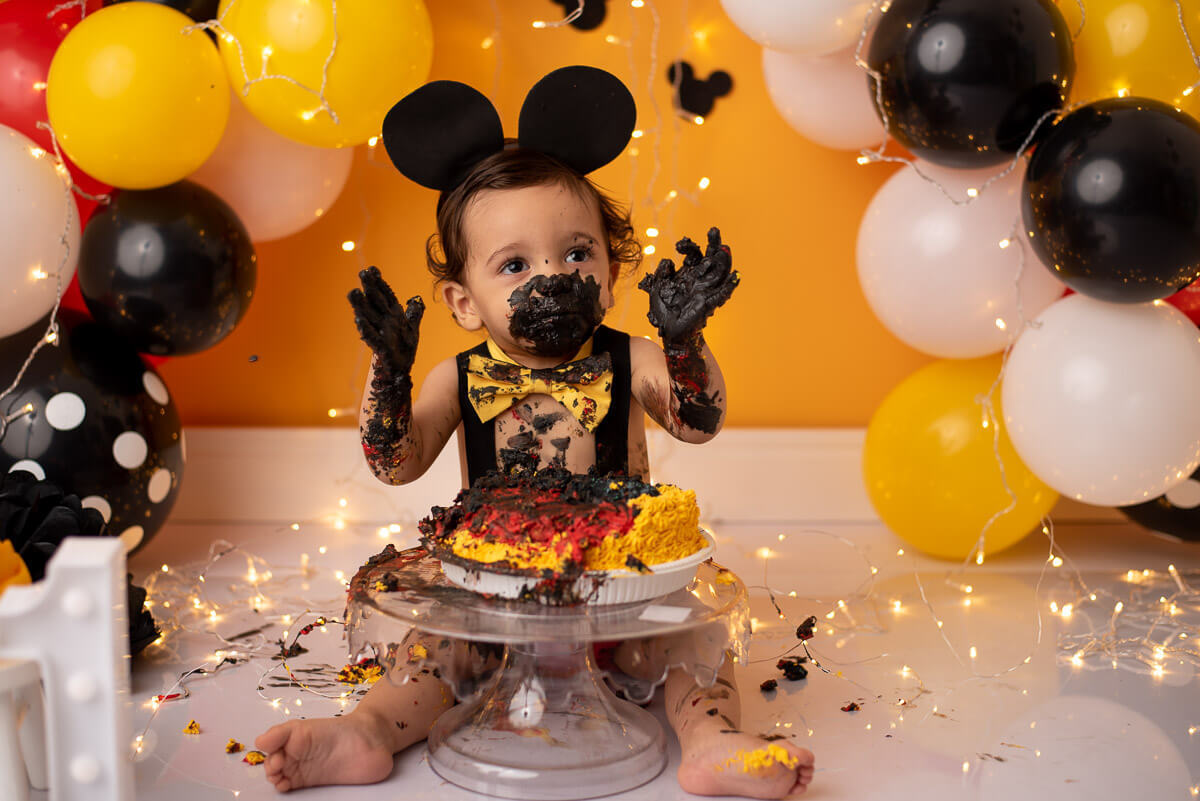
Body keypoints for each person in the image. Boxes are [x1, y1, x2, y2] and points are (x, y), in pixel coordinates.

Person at [255, 66, 814, 798]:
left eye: (577, 252)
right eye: (514, 264)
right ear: (463, 301)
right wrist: (389, 372)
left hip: (626, 595)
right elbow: (395, 463)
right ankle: (366, 732)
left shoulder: (631, 357)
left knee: (694, 646)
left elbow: (696, 420)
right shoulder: (457, 377)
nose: (551, 275)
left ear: (610, 273)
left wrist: (683, 341)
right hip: (494, 602)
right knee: (429, 657)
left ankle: (710, 740)